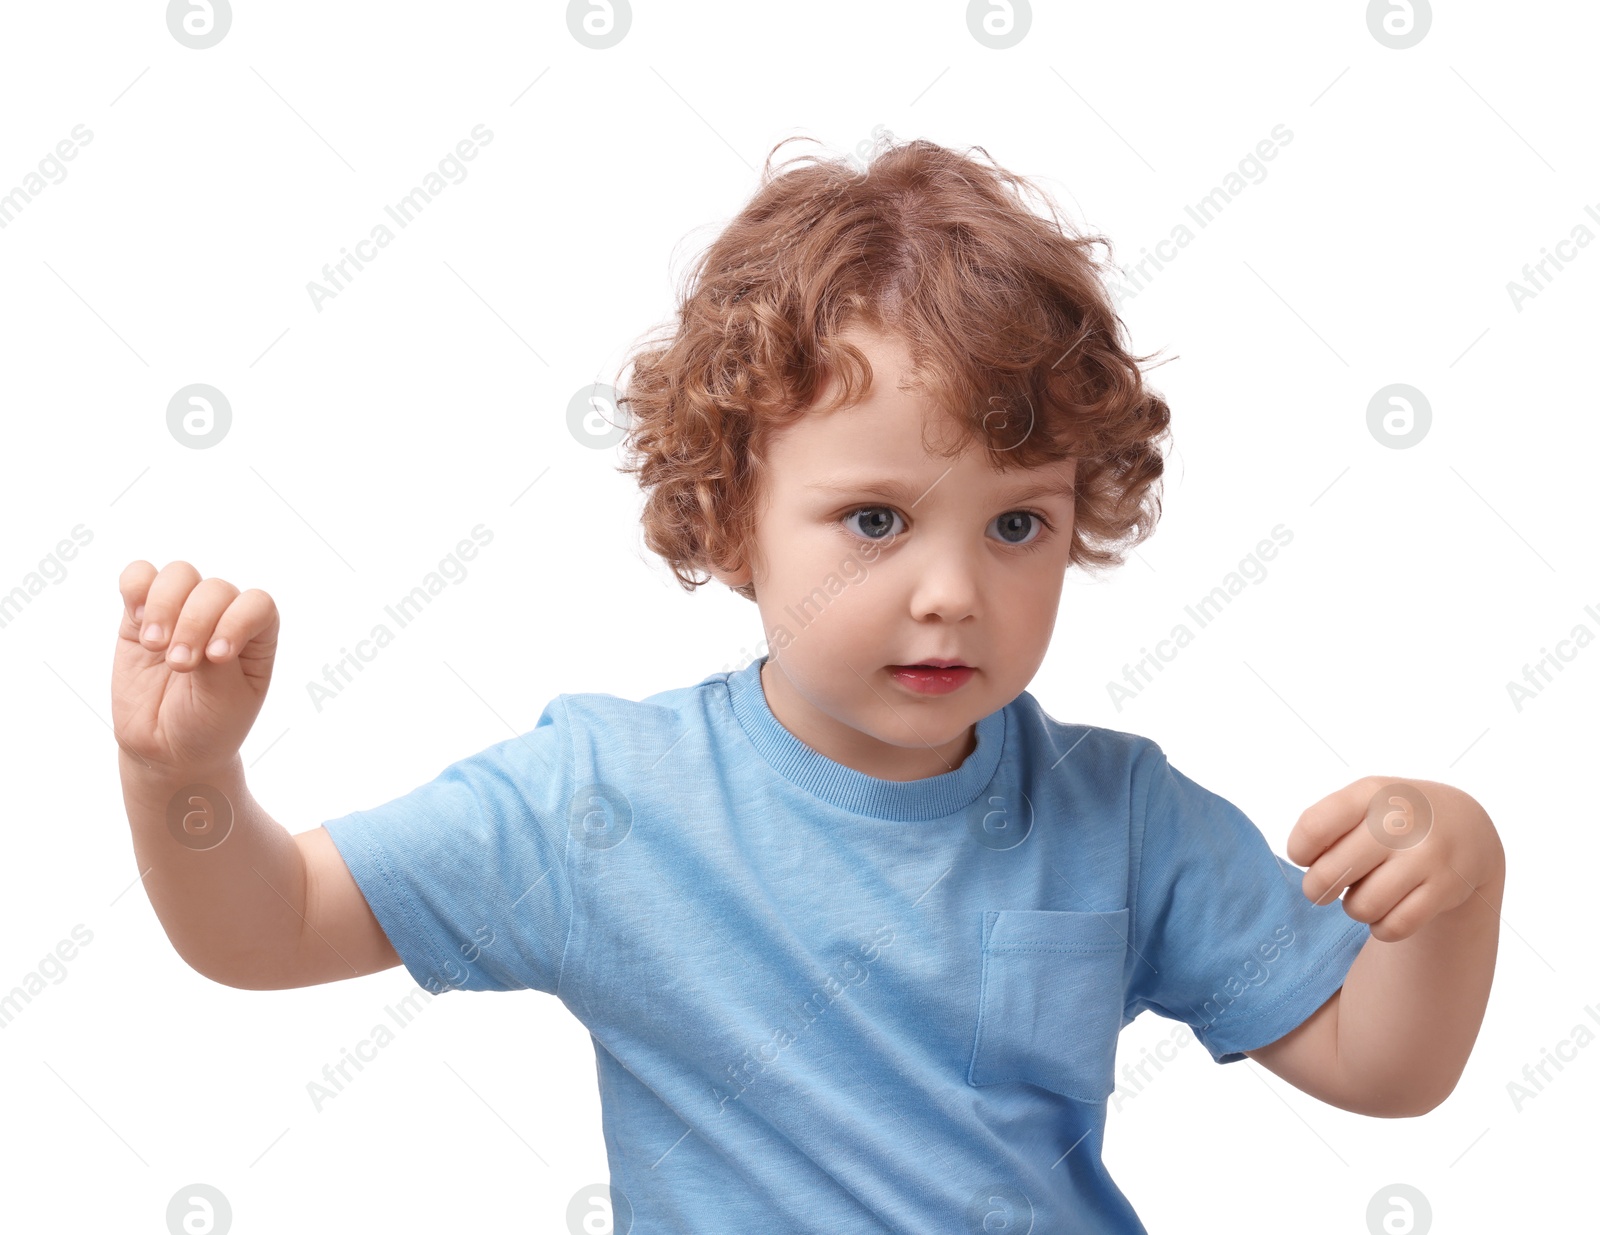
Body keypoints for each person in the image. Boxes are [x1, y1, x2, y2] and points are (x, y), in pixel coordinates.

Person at [112, 136, 1505, 1234]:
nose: (953, 587)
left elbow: (1378, 1068)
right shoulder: (603, 803)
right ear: (729, 516)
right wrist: (185, 783)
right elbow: (269, 926)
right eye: (878, 522)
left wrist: (1460, 886)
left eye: (1017, 524)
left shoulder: (1122, 815)